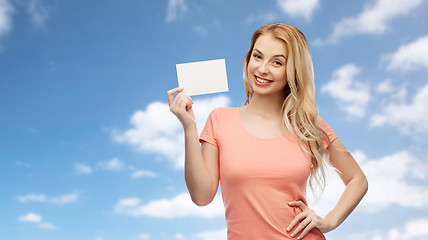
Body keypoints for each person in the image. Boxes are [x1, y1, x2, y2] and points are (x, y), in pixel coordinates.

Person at [167, 23, 368, 240]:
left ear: (293, 70)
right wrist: (189, 127)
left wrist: (329, 221)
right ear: (248, 59)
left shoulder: (308, 124)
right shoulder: (220, 119)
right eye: (258, 56)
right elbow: (201, 196)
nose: (263, 69)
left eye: (277, 62)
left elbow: (358, 180)